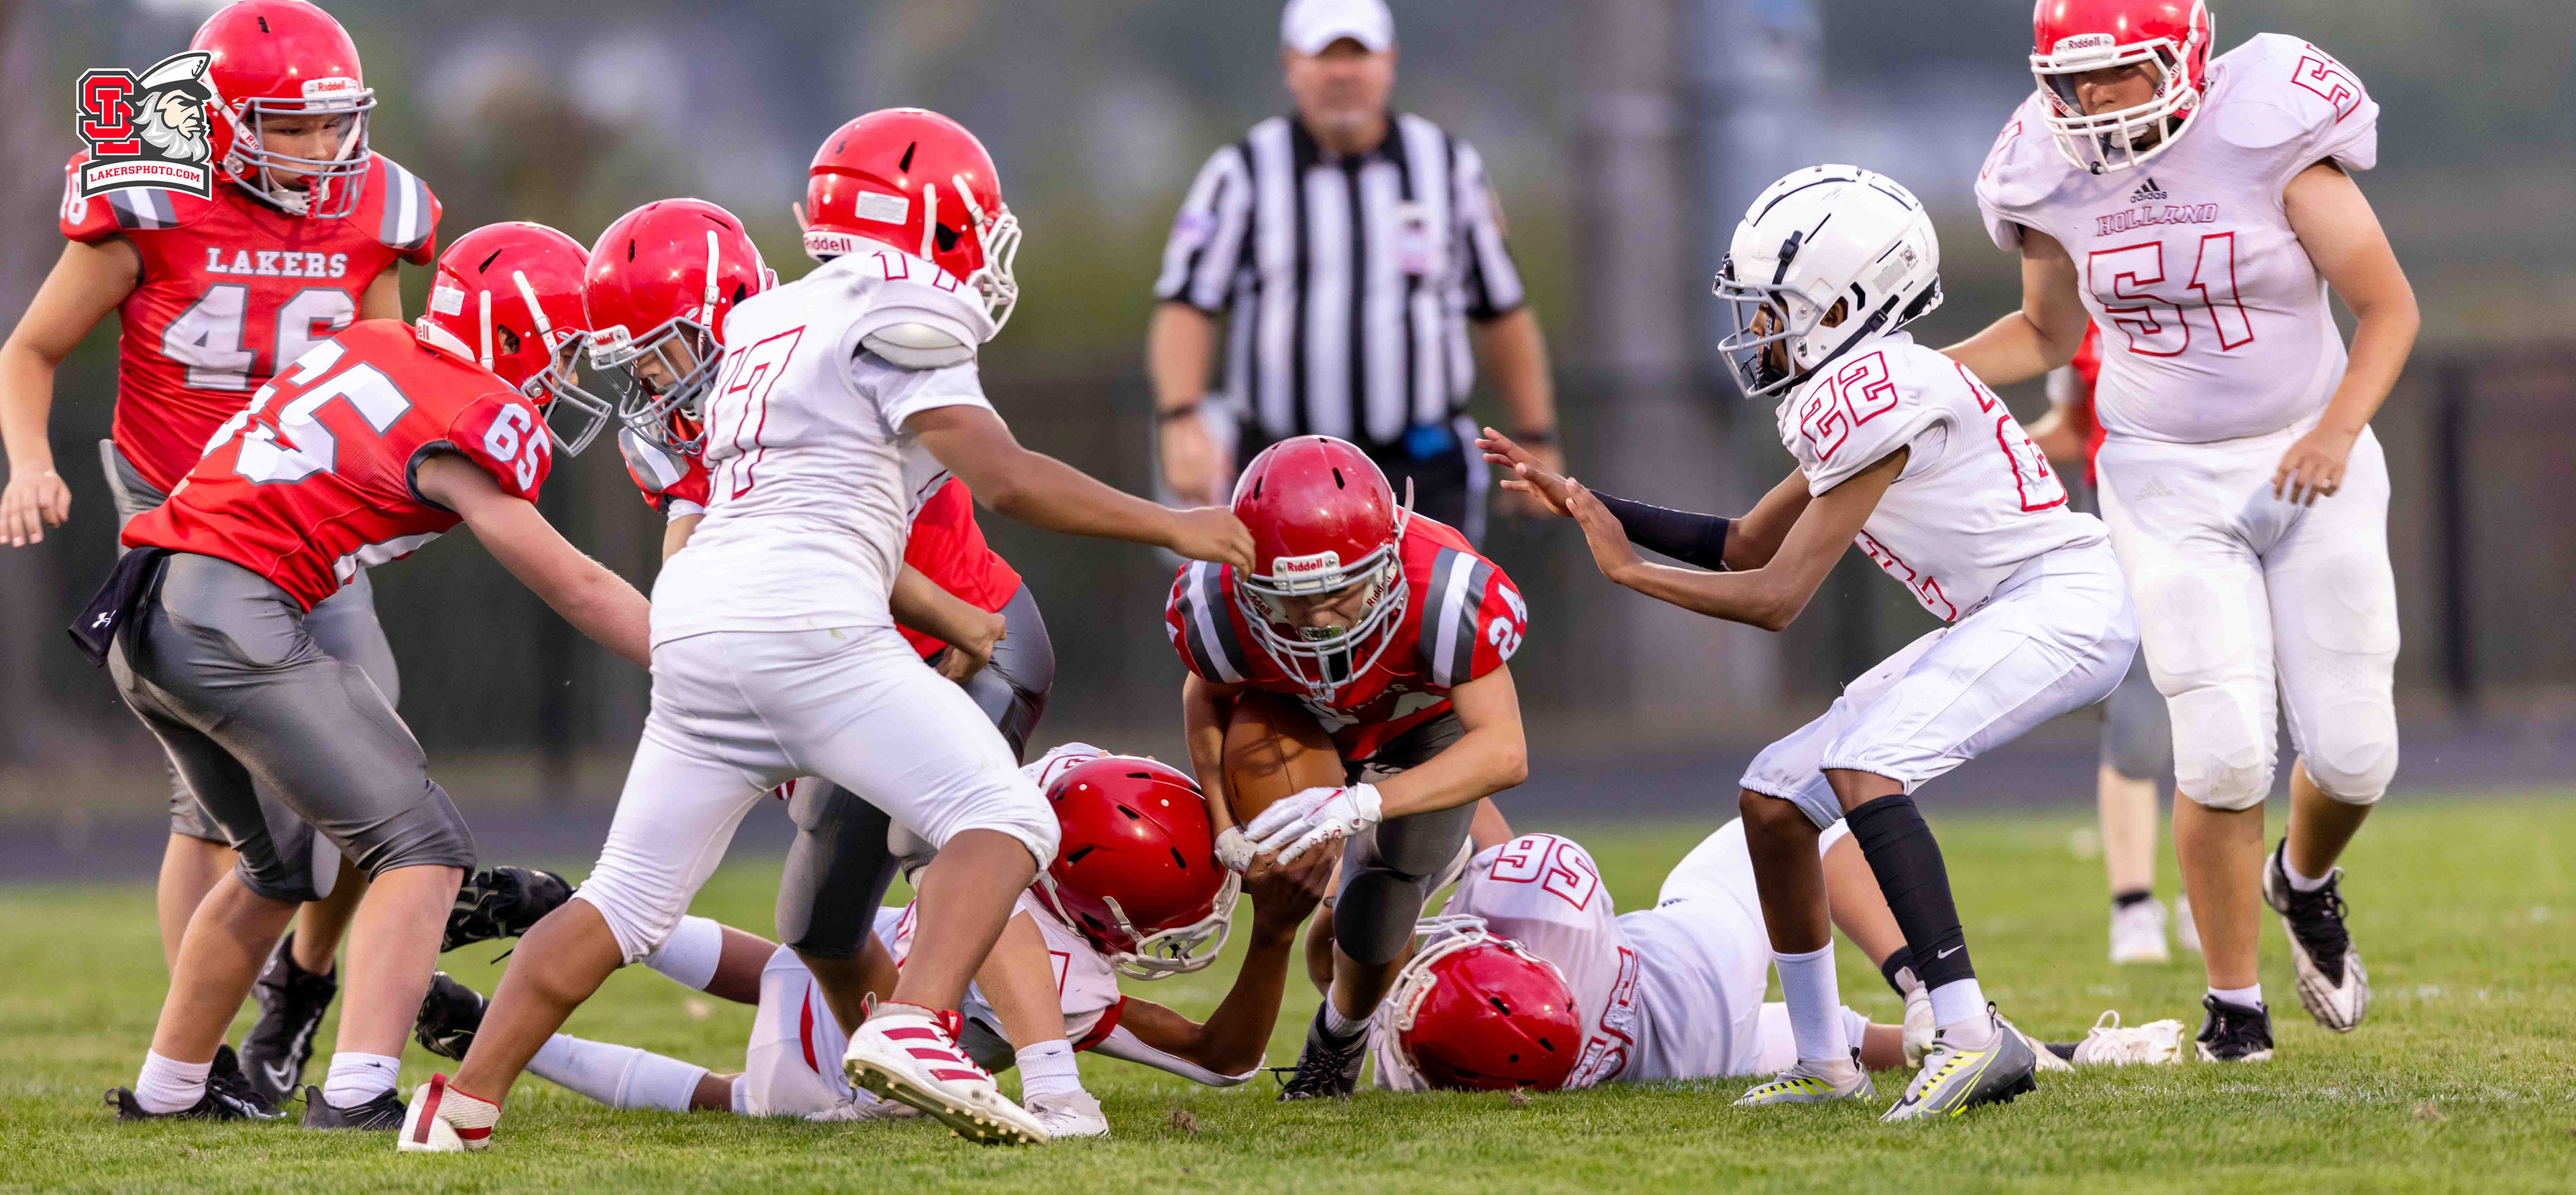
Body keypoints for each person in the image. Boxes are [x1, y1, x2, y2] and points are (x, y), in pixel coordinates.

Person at [402, 110, 1252, 1153]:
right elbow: (1006, 479)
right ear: (926, 224)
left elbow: (777, 512)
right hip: (812, 621)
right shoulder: (895, 302)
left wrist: (946, 616)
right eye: (967, 226)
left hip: (700, 626)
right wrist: (1175, 524)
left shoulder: (764, 326)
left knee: (625, 900)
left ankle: (459, 1107)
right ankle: (918, 1026)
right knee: (1004, 818)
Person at [1483, 164, 2137, 1121]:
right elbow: (1747, 540)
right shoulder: (1858, 386)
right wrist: (1584, 500)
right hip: (2006, 608)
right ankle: (1826, 1059)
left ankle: (1969, 1032)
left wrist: (1630, 572)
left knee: (1868, 762)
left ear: (1847, 303)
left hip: (2064, 603)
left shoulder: (1882, 391)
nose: (1757, 328)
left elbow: (1776, 596)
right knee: (1776, 798)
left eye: (1775, 306)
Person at [93, 220, 644, 1129]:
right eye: (567, 350)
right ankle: (356, 1095)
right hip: (231, 612)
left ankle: (170, 1092)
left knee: (278, 867)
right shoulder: (473, 410)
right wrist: (697, 658)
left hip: (144, 608)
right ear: (516, 333)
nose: (568, 375)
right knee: (424, 845)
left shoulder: (378, 340)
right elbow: (576, 585)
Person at [0, 0, 443, 1107]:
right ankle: (199, 1040)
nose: (323, 147)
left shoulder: (376, 208)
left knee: (372, 767)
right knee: (214, 809)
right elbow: (31, 348)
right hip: (185, 523)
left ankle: (297, 985)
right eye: (291, 125)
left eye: (335, 121)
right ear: (222, 124)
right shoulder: (151, 204)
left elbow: (384, 365)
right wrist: (28, 464)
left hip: (309, 525)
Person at [1953, 0, 2415, 1060]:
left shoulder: (2268, 124)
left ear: (2188, 59)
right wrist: (1918, 373)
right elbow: (2045, 333)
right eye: (2075, 79)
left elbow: (2389, 306)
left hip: (2310, 452)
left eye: (2119, 73)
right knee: (2222, 748)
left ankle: (2303, 879)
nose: (2095, 100)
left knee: (2355, 756)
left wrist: (2337, 431)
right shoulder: (2045, 166)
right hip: (2162, 474)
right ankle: (2234, 1005)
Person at [410, 746, 1335, 1137]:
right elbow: (1221, 1059)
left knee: (786, 962)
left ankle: (568, 907)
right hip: (841, 1057)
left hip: (857, 947)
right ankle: (482, 1024)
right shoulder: (1073, 979)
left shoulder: (1028, 810)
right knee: (734, 1095)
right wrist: (1273, 937)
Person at [1164, 434, 1529, 1100]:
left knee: (1377, 902)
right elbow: (1207, 694)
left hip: (1419, 729)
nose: (1316, 618)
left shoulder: (1444, 590)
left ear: (1388, 557)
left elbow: (1504, 751)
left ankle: (1338, 1037)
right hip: (1296, 721)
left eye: (1338, 591)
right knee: (1316, 934)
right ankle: (1391, 867)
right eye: (1288, 597)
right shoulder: (1217, 603)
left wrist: (1365, 804)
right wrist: (1224, 826)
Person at [1148, 0, 1560, 545]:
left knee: (1433, 601)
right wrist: (1180, 420)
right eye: (1324, 55)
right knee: (1278, 602)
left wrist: (1536, 436)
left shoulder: (1447, 166)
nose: (1342, 72)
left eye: (1358, 53)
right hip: (1282, 471)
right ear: (1291, 65)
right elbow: (1186, 303)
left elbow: (1501, 309)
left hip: (1421, 467)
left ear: (1389, 60)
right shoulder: (1242, 172)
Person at [1371, 823, 2186, 1092]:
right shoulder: (1549, 910)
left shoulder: (1500, 1062)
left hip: (1690, 1059)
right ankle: (1922, 986)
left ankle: (2067, 1053)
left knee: (1854, 1042)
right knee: (1800, 819)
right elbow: (1492, 835)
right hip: (1701, 957)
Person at [2022, 325, 2194, 964]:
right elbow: (2074, 429)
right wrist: (1981, 449)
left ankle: (2207, 892)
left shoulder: (2217, 290)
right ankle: (2134, 905)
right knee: (2137, 713)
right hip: (2122, 512)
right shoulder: (2081, 313)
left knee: (2221, 700)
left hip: (2220, 508)